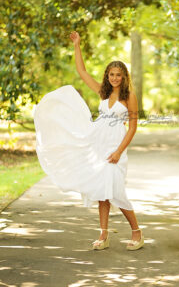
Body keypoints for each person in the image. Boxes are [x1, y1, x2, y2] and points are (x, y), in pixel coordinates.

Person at [33, 31, 144, 251]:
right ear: (107, 75)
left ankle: (137, 232)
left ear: (124, 77)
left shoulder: (129, 96)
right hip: (97, 144)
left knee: (116, 191)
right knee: (102, 192)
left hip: (115, 146)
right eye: (111, 74)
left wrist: (119, 151)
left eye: (118, 75)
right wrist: (77, 45)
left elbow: (132, 127)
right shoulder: (103, 93)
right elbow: (82, 72)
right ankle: (103, 235)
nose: (114, 78)